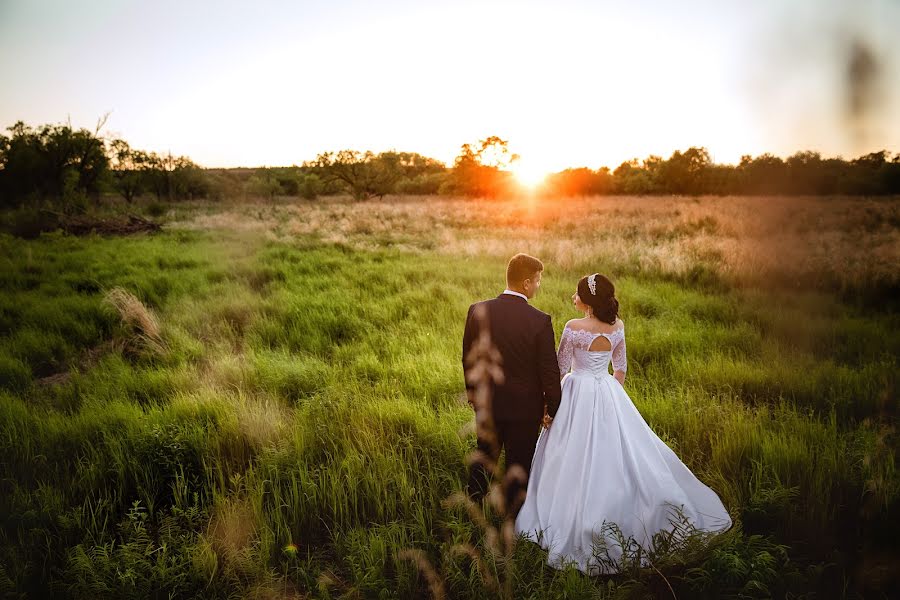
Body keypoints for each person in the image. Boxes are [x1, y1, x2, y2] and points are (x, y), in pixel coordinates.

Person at [515, 273, 732, 574]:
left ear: (587, 301)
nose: (573, 298)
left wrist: (549, 407)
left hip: (576, 391)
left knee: (569, 452)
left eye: (576, 294)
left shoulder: (573, 328)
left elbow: (560, 367)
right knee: (618, 451)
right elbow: (621, 369)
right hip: (607, 391)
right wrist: (612, 397)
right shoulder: (618, 327)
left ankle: (566, 512)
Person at [462, 253, 562, 515]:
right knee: (518, 465)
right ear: (527, 283)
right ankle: (513, 520)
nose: (539, 286)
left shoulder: (477, 310)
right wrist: (552, 407)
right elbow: (549, 372)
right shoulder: (540, 321)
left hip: (488, 404)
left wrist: (473, 395)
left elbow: (468, 357)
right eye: (538, 280)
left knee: (484, 457)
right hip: (524, 409)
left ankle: (471, 510)